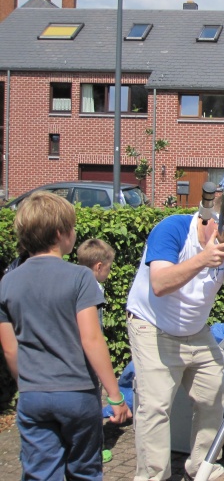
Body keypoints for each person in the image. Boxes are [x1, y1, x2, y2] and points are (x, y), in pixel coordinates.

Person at [0, 192, 131, 480]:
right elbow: (92, 339)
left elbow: (10, 349)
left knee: (40, 473)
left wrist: (29, 386)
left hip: (34, 394)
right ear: (61, 234)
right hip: (77, 394)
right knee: (83, 471)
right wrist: (115, 395)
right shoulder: (80, 277)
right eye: (72, 228)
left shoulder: (7, 282)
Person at [126, 199, 224, 481]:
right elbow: (159, 284)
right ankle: (151, 477)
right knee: (155, 407)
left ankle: (202, 468)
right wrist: (202, 259)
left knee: (213, 395)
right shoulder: (172, 229)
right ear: (208, 218)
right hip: (152, 326)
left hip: (195, 332)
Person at [77, 238, 117, 464]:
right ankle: (95, 449)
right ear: (99, 266)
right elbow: (95, 331)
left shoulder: (72, 281)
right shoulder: (92, 288)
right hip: (89, 360)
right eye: (108, 269)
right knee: (93, 402)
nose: (109, 274)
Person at [77, 238, 116, 328]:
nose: (109, 270)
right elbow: (94, 324)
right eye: (109, 267)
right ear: (99, 267)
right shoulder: (95, 288)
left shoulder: (75, 282)